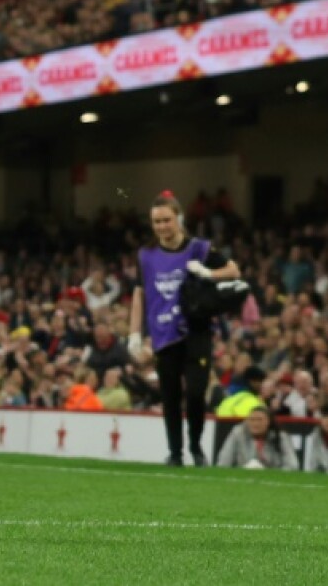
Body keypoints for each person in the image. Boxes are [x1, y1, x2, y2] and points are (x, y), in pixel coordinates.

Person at [129, 190, 241, 466]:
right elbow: (139, 294)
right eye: (157, 222)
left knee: (195, 392)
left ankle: (195, 445)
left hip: (195, 330)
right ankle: (176, 453)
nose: (162, 226)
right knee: (170, 396)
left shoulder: (199, 249)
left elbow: (233, 271)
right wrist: (134, 333)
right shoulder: (146, 255)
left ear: (178, 218)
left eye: (166, 220)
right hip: (163, 333)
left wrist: (207, 272)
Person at [215, 406, 298, 470]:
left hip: (272, 476)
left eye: (260, 420)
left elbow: (292, 465)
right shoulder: (237, 433)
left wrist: (271, 474)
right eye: (252, 420)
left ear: (268, 422)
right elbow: (223, 462)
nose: (255, 424)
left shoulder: (281, 437)